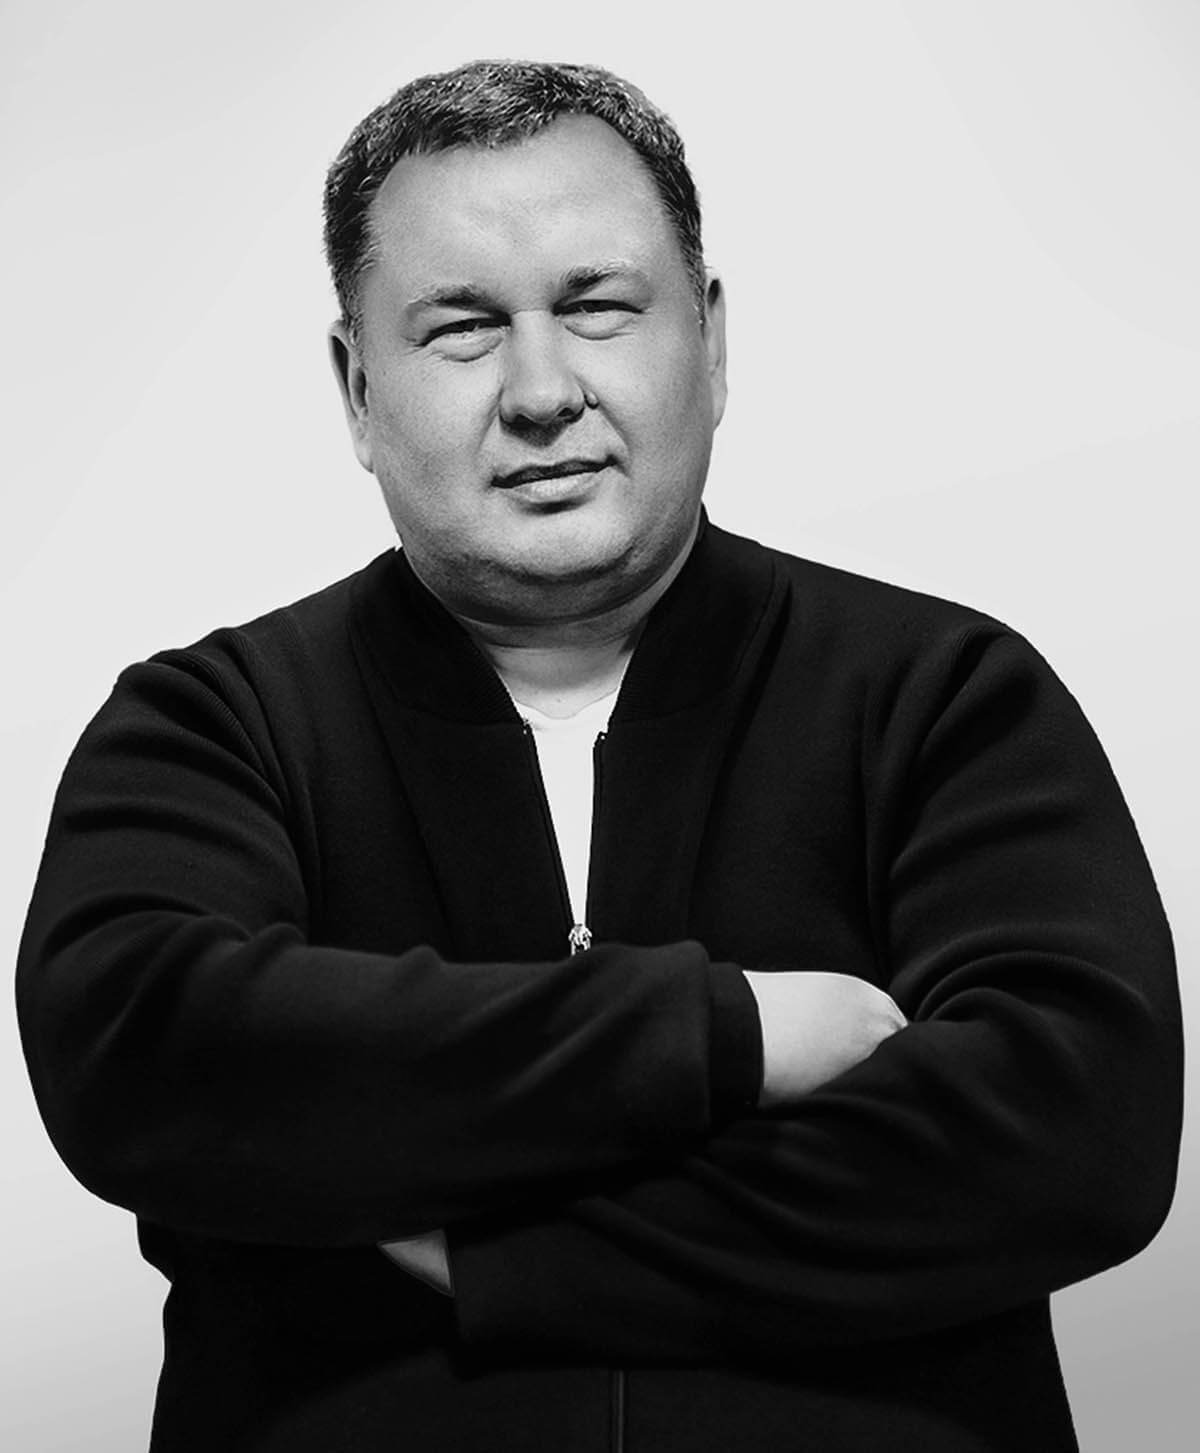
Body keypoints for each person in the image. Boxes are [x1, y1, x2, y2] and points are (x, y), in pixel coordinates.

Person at [16, 59, 1182, 1453]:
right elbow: (153, 1054)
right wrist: (729, 1037)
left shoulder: (944, 695)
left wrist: (487, 1251)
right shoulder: (214, 724)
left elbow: (1075, 1130)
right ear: (357, 386)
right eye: (461, 327)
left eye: (597, 307)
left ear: (712, 339)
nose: (541, 389)